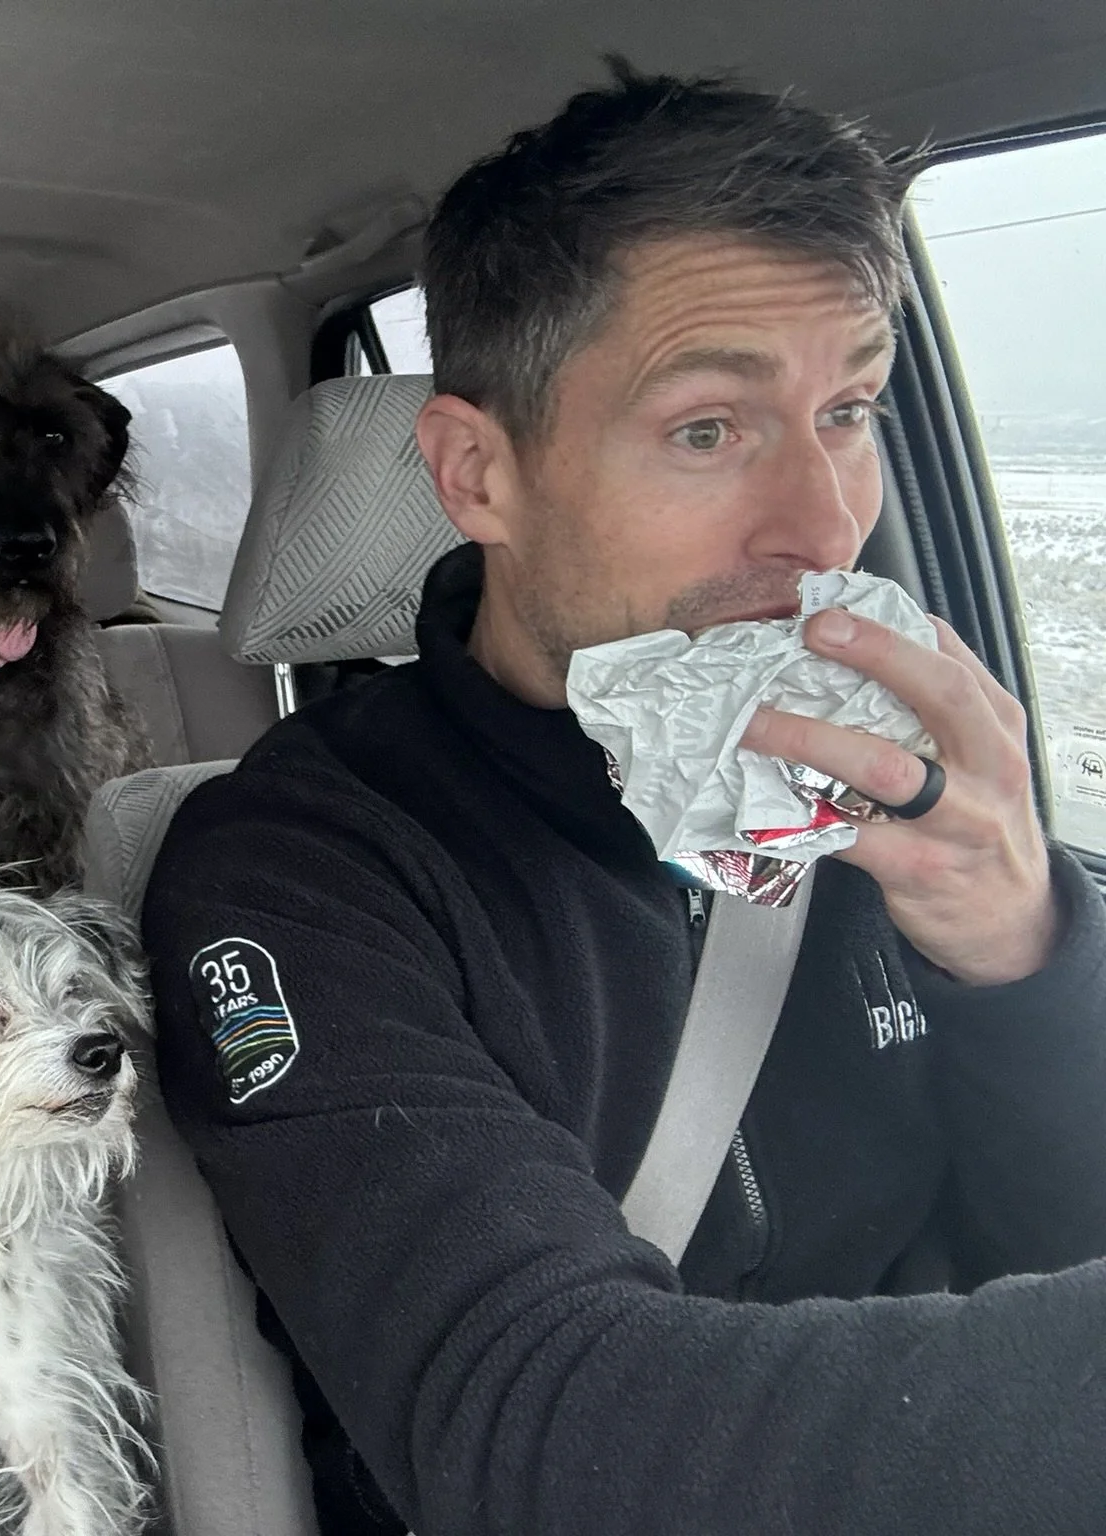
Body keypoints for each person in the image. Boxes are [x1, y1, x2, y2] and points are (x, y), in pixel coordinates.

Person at [143, 63, 1106, 1536]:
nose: (825, 524)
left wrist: (1027, 957)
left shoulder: (903, 797)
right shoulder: (300, 870)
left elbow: (1058, 1247)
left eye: (847, 408)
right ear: (479, 472)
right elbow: (533, 1425)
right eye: (710, 429)